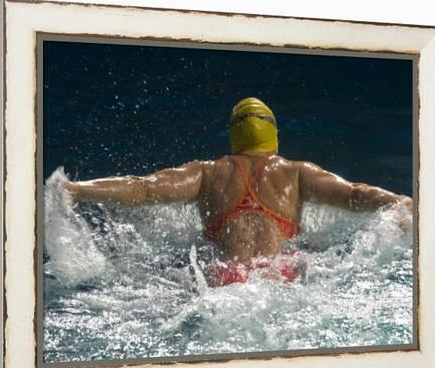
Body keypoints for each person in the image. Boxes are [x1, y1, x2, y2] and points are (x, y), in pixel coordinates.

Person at [66, 98, 413, 287]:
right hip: (280, 278)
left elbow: (143, 189)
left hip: (222, 280)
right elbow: (356, 194)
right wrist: (399, 202)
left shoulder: (206, 173)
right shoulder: (295, 173)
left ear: (235, 134)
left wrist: (77, 190)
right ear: (273, 133)